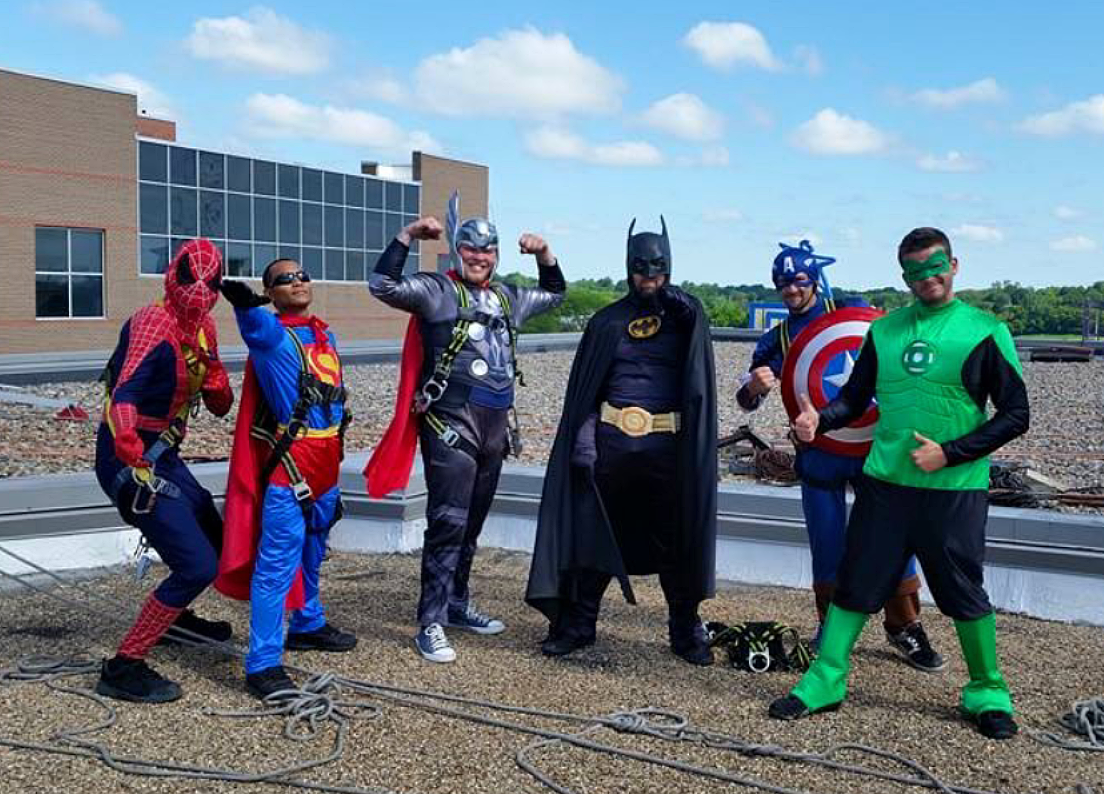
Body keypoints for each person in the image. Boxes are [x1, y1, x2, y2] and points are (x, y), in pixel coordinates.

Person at [768, 227, 1030, 739]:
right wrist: (819, 419)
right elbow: (855, 399)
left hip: (953, 490)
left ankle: (987, 690)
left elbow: (1016, 415)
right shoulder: (883, 332)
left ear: (954, 265)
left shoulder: (984, 330)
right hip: (884, 484)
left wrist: (950, 453)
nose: (927, 278)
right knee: (854, 583)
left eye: (935, 267)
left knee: (962, 592)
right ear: (904, 276)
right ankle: (825, 679)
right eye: (915, 271)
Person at [365, 204, 565, 663]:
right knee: (448, 522)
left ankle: (455, 603)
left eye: (488, 249)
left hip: (495, 427)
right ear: (458, 251)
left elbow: (555, 294)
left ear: (496, 255)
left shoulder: (508, 298)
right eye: (471, 247)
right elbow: (383, 285)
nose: (480, 256)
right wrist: (407, 235)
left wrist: (545, 254)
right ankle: (430, 621)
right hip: (450, 423)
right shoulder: (436, 291)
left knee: (471, 524)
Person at [738, 242, 944, 672]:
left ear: (813, 277)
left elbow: (903, 352)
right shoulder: (776, 338)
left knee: (893, 538)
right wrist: (755, 387)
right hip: (820, 454)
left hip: (875, 448)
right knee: (827, 544)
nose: (791, 289)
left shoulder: (853, 311)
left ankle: (903, 625)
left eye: (798, 280)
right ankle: (831, 625)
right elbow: (746, 399)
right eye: (782, 282)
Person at [526, 218, 718, 665]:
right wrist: (585, 439)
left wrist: (671, 299)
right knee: (595, 536)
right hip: (611, 449)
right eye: (641, 269)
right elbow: (587, 393)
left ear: (669, 267)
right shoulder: (607, 321)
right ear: (628, 267)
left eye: (658, 269)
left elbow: (695, 333)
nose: (649, 277)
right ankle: (578, 624)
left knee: (677, 540)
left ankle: (684, 628)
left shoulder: (686, 317)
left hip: (669, 453)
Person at [92, 239, 236, 703]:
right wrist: (131, 446)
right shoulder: (153, 321)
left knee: (215, 540)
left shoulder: (205, 328)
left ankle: (174, 619)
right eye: (190, 279)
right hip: (128, 457)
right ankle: (124, 665)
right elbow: (126, 392)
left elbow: (218, 405)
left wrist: (216, 382)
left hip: (165, 454)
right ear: (172, 276)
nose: (199, 290)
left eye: (209, 282)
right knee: (198, 564)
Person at [215, 259, 358, 699]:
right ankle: (262, 664)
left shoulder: (323, 334)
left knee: (315, 549)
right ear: (271, 292)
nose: (297, 282)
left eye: (302, 275)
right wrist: (245, 306)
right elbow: (256, 328)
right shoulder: (272, 335)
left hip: (327, 460)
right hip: (291, 466)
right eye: (284, 279)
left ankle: (308, 622)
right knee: (276, 565)